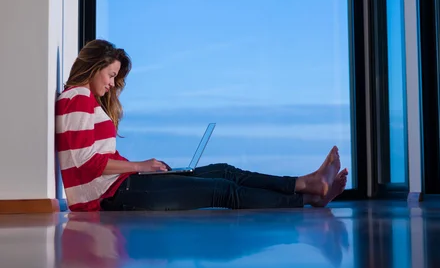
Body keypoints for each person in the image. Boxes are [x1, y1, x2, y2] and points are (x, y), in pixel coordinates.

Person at [56, 39, 349, 212]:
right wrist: (141, 166)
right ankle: (307, 199)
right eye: (110, 74)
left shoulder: (85, 100)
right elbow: (87, 163)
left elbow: (95, 160)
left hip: (118, 186)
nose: (111, 83)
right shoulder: (78, 97)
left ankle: (308, 186)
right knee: (220, 189)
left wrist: (144, 167)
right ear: (94, 66)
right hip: (107, 198)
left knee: (224, 171)